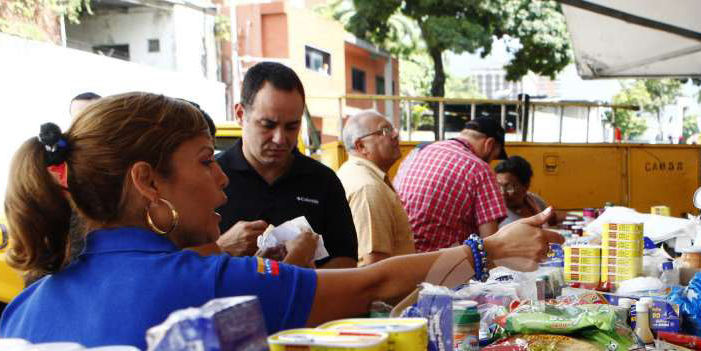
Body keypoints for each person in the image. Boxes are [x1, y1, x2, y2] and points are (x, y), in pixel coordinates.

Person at [0, 93, 560, 349]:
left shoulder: (26, 307)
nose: (221, 179)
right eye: (202, 162)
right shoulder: (210, 289)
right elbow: (372, 281)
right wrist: (495, 250)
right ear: (148, 181)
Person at [215, 62, 359, 267]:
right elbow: (179, 267)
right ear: (240, 115)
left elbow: (345, 260)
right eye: (268, 125)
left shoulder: (322, 181)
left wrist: (305, 278)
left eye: (292, 127)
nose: (280, 139)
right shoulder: (211, 178)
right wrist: (223, 248)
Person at [394, 116, 508, 252]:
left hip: (399, 258)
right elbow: (490, 242)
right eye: (494, 156)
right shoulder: (479, 169)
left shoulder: (417, 152)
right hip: (440, 265)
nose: (491, 161)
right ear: (489, 144)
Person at [337, 110, 416, 265]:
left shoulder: (353, 172)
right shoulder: (368, 188)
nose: (395, 134)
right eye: (385, 131)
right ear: (361, 146)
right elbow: (375, 265)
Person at [495, 156, 559, 227]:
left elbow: (553, 222)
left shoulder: (535, 201)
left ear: (526, 187)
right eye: (498, 186)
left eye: (509, 187)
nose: (502, 192)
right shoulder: (494, 211)